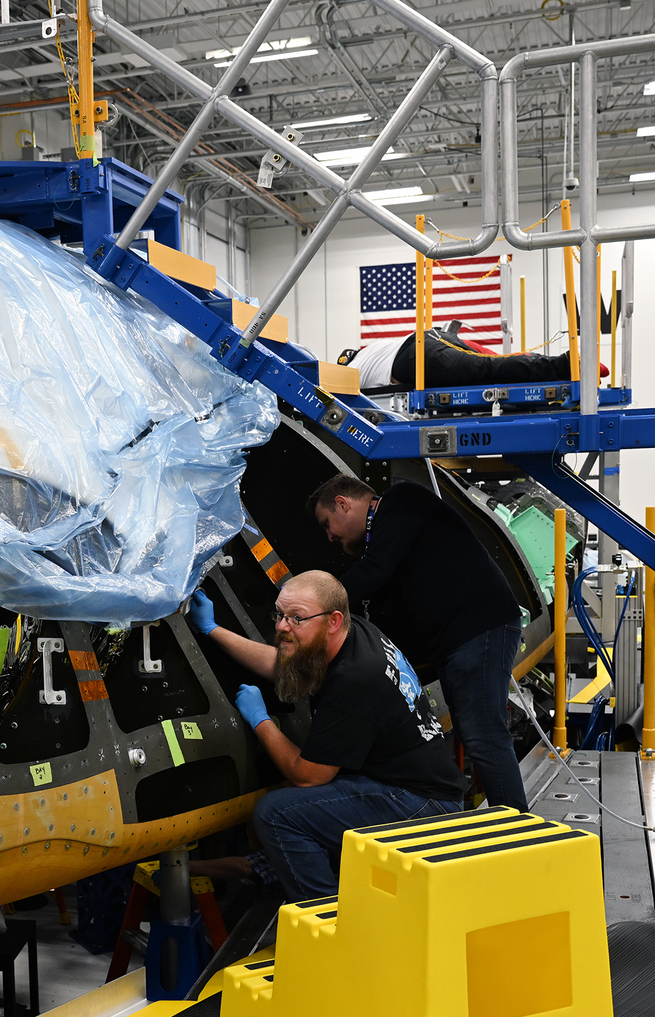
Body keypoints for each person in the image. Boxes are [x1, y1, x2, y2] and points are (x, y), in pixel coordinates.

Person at [186, 570, 465, 899]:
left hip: (423, 806)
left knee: (277, 814)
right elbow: (284, 664)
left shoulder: (356, 678)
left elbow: (308, 777)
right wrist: (212, 630)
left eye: (296, 618)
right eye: (280, 614)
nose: (281, 627)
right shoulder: (353, 632)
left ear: (332, 620)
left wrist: (261, 721)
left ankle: (327, 918)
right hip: (416, 786)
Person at [306, 473, 530, 812]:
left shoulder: (402, 501)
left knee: (484, 735)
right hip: (461, 640)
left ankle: (518, 833)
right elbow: (383, 607)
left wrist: (314, 605)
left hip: (478, 631)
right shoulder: (396, 538)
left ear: (342, 504)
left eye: (327, 524)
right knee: (476, 734)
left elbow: (374, 570)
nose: (329, 536)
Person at [342, 328, 579, 392]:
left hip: (417, 359)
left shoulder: (348, 375)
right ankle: (552, 363)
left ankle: (560, 365)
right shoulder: (369, 351)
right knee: (493, 359)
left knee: (490, 369)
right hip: (431, 337)